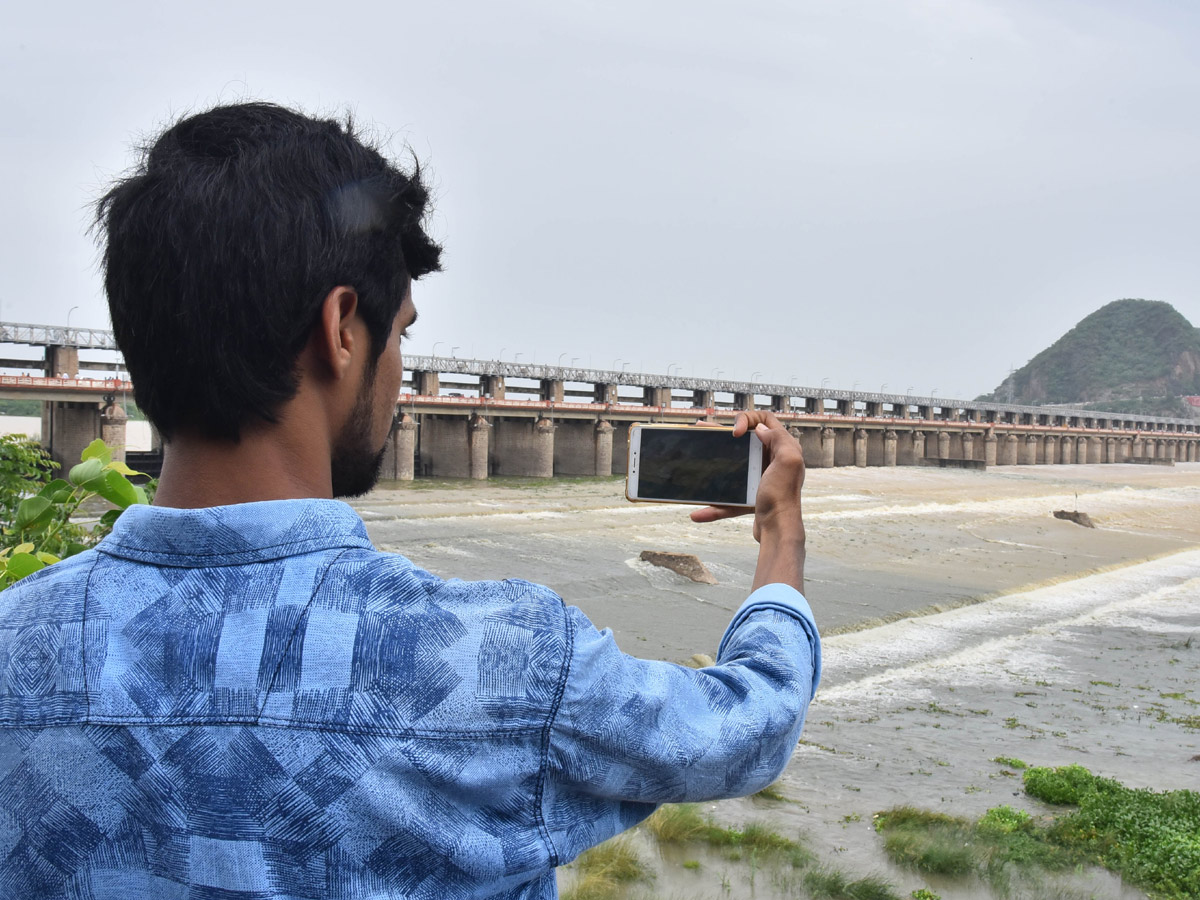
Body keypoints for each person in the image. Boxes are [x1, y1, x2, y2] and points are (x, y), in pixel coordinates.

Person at [0, 102, 820, 899]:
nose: (398, 367)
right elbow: (749, 725)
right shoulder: (502, 663)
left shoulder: (13, 650)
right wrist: (780, 536)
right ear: (344, 328)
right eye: (404, 335)